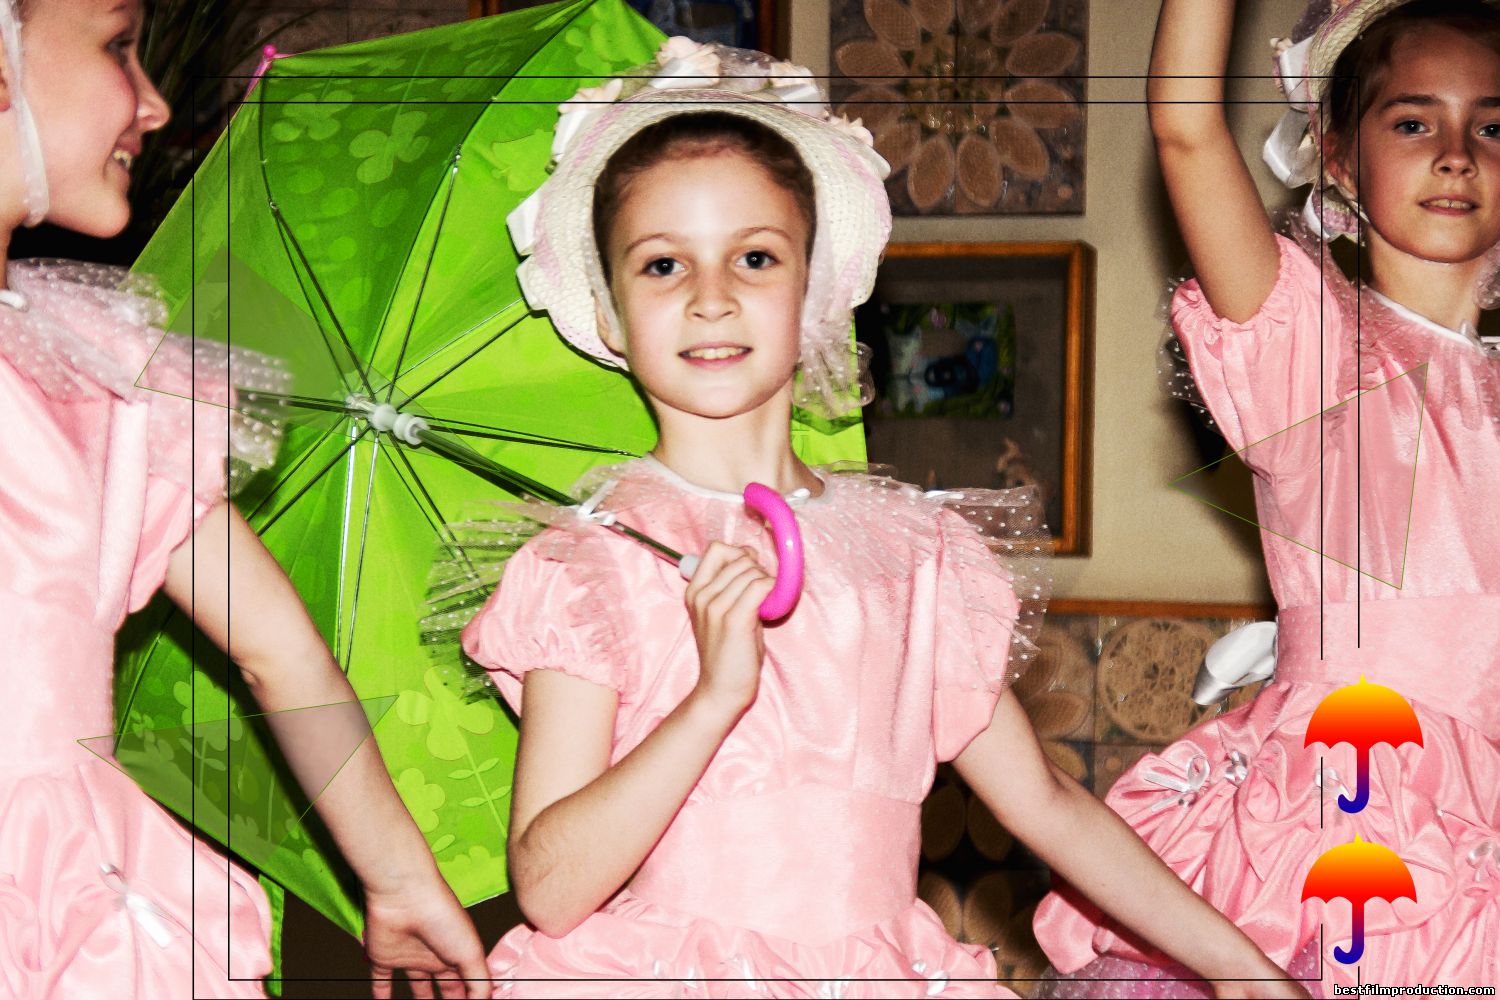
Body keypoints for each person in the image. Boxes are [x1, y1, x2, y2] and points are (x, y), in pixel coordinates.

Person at [452, 37, 1310, 999]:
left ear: (815, 292)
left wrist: (1237, 968)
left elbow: (1047, 803)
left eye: (754, 256)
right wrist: (713, 698)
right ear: (609, 314)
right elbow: (552, 890)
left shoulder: (915, 553)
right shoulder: (593, 565)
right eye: (661, 265)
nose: (710, 298)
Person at [0, 0, 489, 995]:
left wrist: (397, 875)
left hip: (72, 895)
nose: (152, 103)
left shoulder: (88, 372)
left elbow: (280, 650)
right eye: (116, 44)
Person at [1032, 1, 1500, 996]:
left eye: (1493, 126)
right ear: (1337, 158)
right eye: (1413, 121)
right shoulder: (1312, 346)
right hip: (1342, 813)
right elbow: (1185, 129)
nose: (1458, 154)